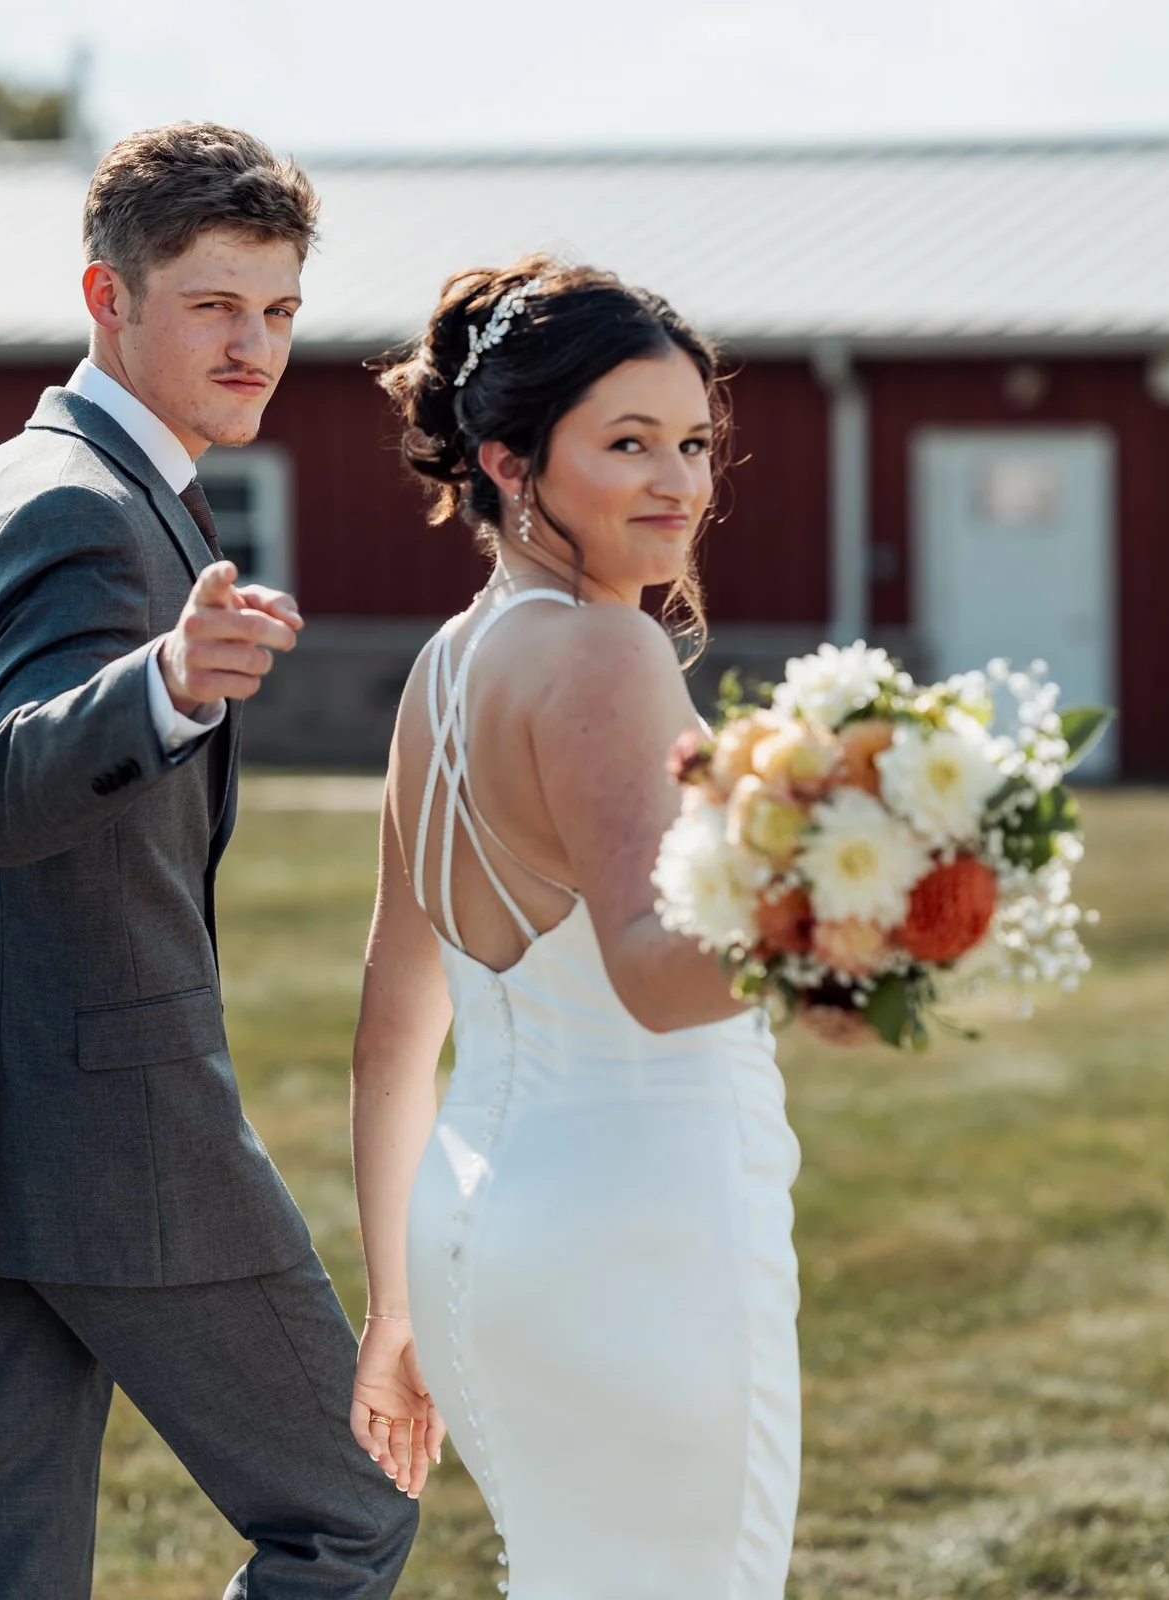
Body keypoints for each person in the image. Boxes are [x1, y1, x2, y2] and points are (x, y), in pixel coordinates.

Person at [0, 123, 418, 1599]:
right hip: (112, 1134)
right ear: (110, 297)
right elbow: (9, 784)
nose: (256, 344)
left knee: (4, 1575)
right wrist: (165, 683)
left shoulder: (27, 469)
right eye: (214, 304)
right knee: (351, 1514)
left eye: (279, 309)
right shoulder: (83, 507)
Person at [347, 258, 802, 1597]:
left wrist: (394, 1308)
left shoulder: (443, 668)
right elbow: (658, 980)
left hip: (475, 1248)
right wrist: (846, 905)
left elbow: (390, 1031)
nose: (681, 481)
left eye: (695, 443)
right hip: (643, 1246)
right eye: (628, 443)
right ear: (508, 461)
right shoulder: (606, 654)